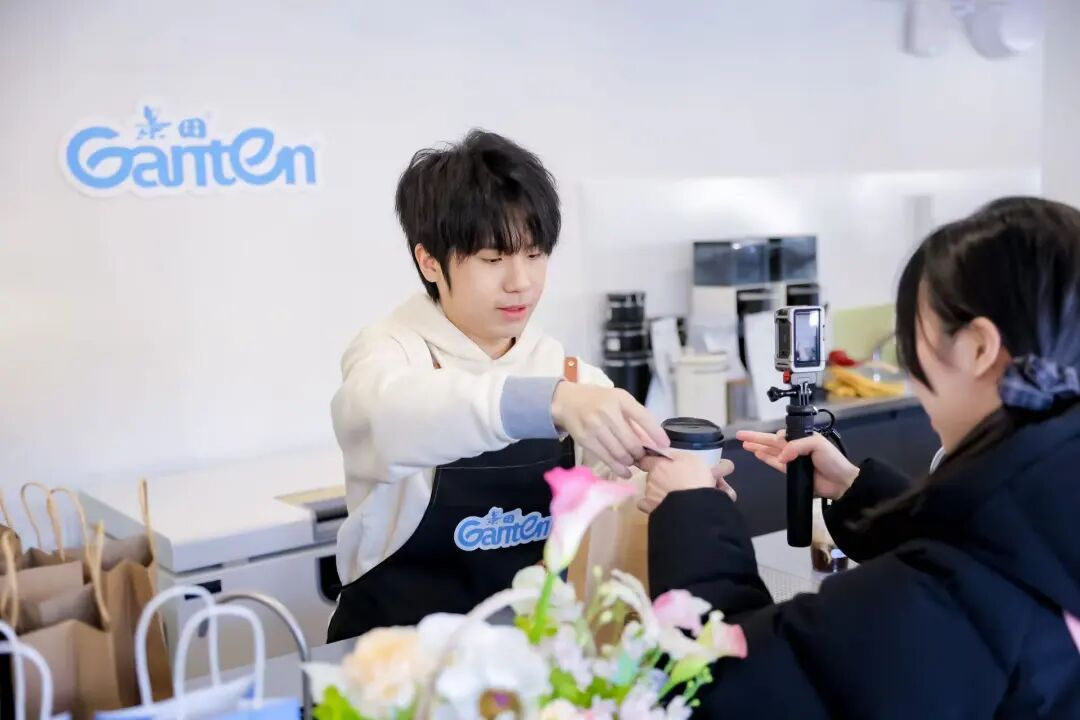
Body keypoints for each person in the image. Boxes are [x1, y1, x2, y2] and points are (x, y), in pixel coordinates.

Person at [639, 197, 1080, 717]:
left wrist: (690, 509)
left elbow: (718, 685)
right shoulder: (1046, 518)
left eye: (913, 334)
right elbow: (988, 542)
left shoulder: (963, 594)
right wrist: (858, 490)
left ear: (978, 347)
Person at [327, 129, 668, 642]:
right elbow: (382, 417)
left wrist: (665, 481)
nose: (520, 282)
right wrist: (547, 402)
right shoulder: (390, 351)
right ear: (429, 261)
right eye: (493, 259)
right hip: (392, 656)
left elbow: (619, 488)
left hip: (522, 656)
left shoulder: (569, 372)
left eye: (534, 255)